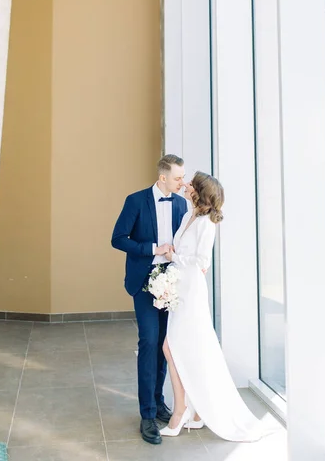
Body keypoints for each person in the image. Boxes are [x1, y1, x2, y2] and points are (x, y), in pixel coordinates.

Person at [160, 171, 276, 442]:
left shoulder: (206, 224)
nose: (185, 184)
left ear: (198, 191)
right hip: (182, 289)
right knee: (184, 349)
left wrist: (172, 255)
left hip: (192, 294)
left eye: (190, 183)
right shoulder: (190, 217)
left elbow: (201, 260)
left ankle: (181, 410)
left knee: (171, 347)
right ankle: (196, 412)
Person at [111, 154, 188, 445]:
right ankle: (146, 414)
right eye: (178, 177)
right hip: (144, 282)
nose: (183, 182)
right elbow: (118, 239)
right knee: (149, 341)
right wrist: (154, 248)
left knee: (166, 347)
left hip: (174, 284)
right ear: (163, 178)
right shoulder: (135, 200)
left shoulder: (181, 204)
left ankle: (159, 404)